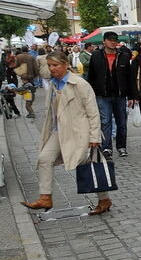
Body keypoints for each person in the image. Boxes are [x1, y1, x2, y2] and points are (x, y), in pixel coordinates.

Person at [20, 51, 112, 215]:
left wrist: (94, 136)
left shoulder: (79, 84)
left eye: (55, 65)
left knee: (87, 164)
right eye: (49, 65)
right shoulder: (53, 84)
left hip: (79, 132)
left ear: (65, 65)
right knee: (44, 158)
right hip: (58, 131)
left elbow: (93, 112)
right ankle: (45, 197)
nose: (51, 68)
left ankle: (104, 199)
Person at [86, 31, 132, 158]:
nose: (113, 42)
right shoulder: (96, 56)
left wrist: (132, 96)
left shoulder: (123, 55)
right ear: (104, 41)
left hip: (120, 94)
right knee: (105, 122)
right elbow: (91, 76)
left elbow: (129, 78)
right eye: (110, 39)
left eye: (115, 40)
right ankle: (107, 148)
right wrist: (90, 94)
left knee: (121, 122)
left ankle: (121, 147)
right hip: (102, 94)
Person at [14, 49, 38, 118]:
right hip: (31, 75)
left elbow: (16, 66)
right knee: (29, 87)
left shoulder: (18, 57)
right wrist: (36, 74)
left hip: (22, 74)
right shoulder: (31, 57)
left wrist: (18, 73)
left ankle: (28, 100)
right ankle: (30, 99)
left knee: (26, 87)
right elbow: (35, 66)